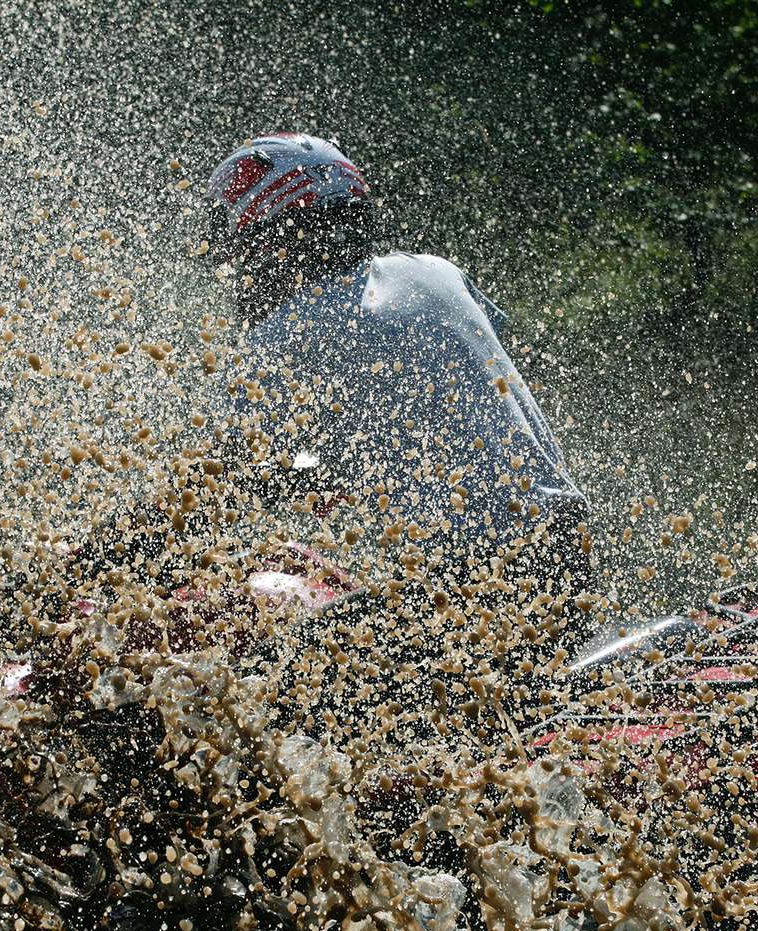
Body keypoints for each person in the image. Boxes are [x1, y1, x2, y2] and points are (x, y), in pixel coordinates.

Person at [204, 132, 593, 600]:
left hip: (475, 575)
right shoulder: (437, 272)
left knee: (272, 647)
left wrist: (125, 545)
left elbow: (224, 481)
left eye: (238, 254)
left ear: (271, 240)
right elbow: (439, 399)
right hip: (569, 551)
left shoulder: (284, 337)